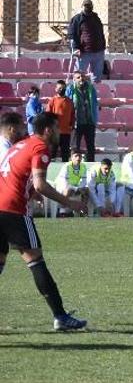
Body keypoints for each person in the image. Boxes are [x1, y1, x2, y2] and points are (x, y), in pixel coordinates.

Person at [0, 111, 88, 331]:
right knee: (35, 261)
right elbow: (40, 184)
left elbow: (15, 176)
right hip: (14, 211)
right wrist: (70, 203)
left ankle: (61, 315)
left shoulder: (19, 145)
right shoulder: (39, 147)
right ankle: (60, 316)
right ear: (48, 130)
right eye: (58, 128)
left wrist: (30, 191)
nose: (60, 132)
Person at [68, 0, 107, 82]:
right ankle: (77, 91)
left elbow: (101, 32)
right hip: (84, 51)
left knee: (96, 77)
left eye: (89, 5)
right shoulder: (77, 19)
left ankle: (94, 92)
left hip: (98, 51)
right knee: (79, 75)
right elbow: (72, 34)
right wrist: (75, 48)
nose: (87, 7)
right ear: (82, 7)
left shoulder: (96, 18)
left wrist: (103, 46)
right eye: (86, 6)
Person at [67, 71, 99, 162]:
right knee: (75, 146)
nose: (81, 79)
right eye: (78, 77)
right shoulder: (71, 89)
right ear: (74, 79)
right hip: (76, 122)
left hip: (89, 121)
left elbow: (94, 103)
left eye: (82, 77)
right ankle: (73, 164)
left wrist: (95, 119)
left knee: (90, 146)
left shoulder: (90, 88)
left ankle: (91, 164)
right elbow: (67, 104)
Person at [54, 150, 91, 217]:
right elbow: (64, 182)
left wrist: (80, 188)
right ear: (71, 157)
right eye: (76, 156)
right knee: (68, 190)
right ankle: (62, 211)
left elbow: (84, 180)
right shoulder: (67, 166)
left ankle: (82, 211)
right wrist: (76, 188)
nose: (78, 158)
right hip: (61, 187)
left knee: (86, 191)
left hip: (74, 187)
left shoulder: (83, 166)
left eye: (80, 156)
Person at [46, 81, 74, 162]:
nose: (62, 90)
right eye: (60, 88)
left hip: (66, 132)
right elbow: (48, 115)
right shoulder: (52, 101)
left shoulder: (69, 101)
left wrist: (71, 125)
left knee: (65, 154)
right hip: (55, 132)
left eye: (64, 88)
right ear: (56, 89)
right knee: (52, 153)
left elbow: (72, 114)